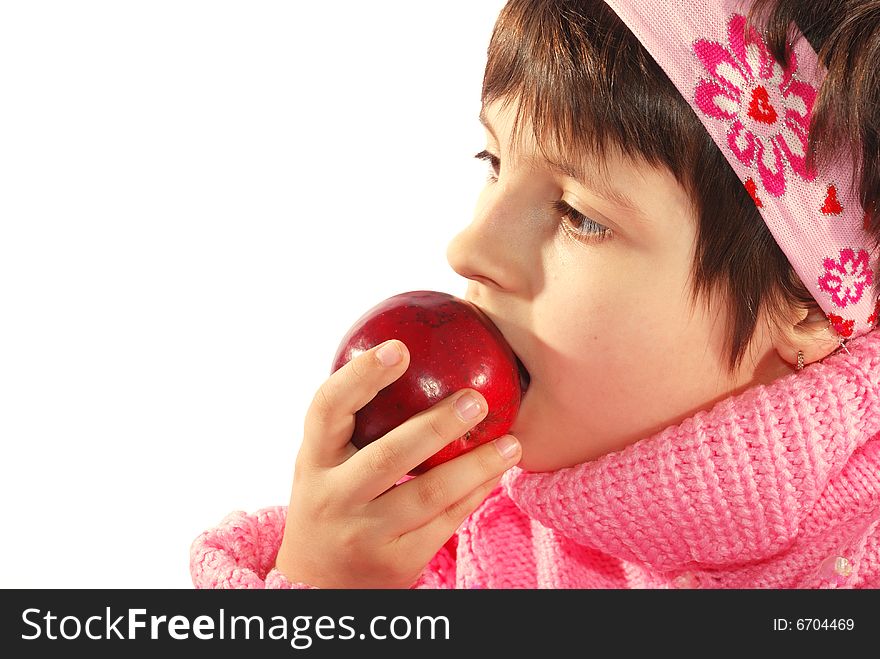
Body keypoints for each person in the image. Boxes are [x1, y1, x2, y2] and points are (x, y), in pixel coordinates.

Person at [190, 0, 880, 589]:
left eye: (579, 215)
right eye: (493, 162)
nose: (469, 250)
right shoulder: (440, 534)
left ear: (810, 308)